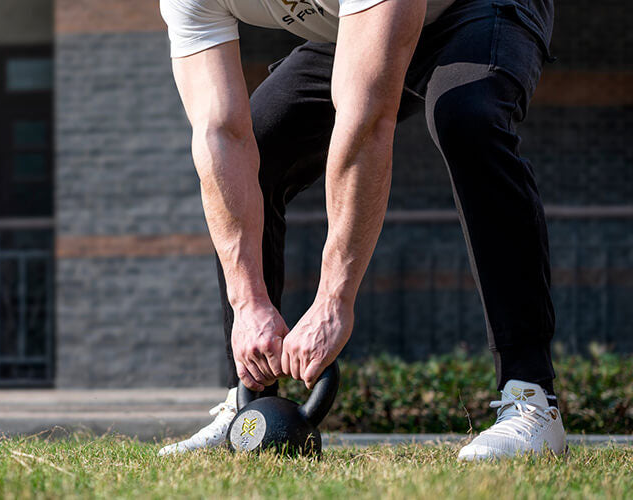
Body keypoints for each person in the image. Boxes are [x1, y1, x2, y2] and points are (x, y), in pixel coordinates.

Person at [157, 0, 566, 461]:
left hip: (476, 7)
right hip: (360, 26)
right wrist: (247, 302)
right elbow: (219, 135)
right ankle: (248, 405)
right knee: (262, 148)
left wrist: (334, 301)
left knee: (465, 117)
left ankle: (532, 399)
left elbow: (367, 122)